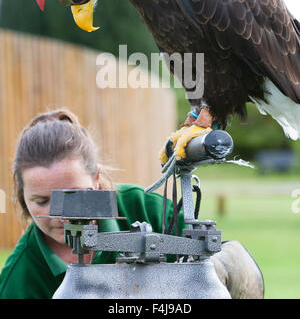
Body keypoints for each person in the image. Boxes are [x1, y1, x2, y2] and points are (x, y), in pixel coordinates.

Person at [0, 108, 264, 299]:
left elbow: (221, 269)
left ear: (96, 178)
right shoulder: (19, 282)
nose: (58, 214)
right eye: (42, 201)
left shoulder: (142, 207)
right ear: (22, 196)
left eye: (72, 195)